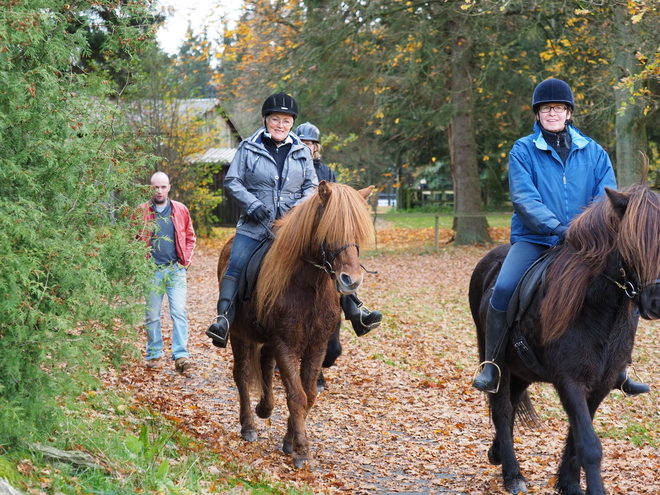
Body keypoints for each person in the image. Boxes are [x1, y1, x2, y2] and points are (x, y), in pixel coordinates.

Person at [472, 78, 649, 396]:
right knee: (503, 288)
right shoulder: (523, 150)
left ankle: (619, 366)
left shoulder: (594, 152)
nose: (552, 113)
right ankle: (493, 364)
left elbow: (606, 199)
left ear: (569, 113)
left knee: (626, 288)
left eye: (558, 107)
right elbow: (525, 199)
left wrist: (585, 233)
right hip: (535, 239)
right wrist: (559, 229)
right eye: (545, 108)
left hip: (588, 244)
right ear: (537, 114)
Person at [205, 93, 318, 348]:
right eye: (275, 119)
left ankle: (353, 309)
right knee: (236, 263)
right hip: (255, 225)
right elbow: (232, 181)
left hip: (292, 227)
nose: (281, 125)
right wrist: (253, 205)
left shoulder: (301, 150)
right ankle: (223, 319)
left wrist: (297, 211)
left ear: (292, 123)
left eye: (286, 121)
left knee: (327, 257)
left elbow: (311, 186)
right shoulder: (248, 146)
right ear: (266, 120)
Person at [296, 121, 382, 336]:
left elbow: (337, 204)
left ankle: (355, 312)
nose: (307, 147)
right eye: (303, 143)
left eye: (311, 143)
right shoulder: (291, 166)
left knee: (340, 262)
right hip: (297, 228)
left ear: (317, 147)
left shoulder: (326, 171)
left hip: (322, 231)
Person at [139, 171, 196, 374]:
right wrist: (140, 265)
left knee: (179, 312)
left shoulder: (180, 210)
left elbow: (190, 237)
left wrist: (185, 262)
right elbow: (134, 240)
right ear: (150, 188)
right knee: (152, 315)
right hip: (152, 272)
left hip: (175, 270)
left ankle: (181, 356)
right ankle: (154, 354)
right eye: (156, 187)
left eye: (163, 186)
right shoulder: (141, 212)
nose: (159, 190)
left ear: (169, 187)